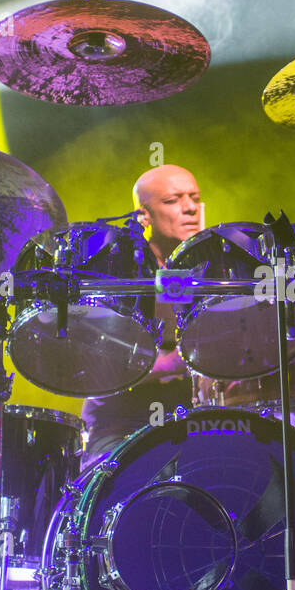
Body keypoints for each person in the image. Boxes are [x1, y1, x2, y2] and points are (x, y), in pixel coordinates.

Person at [80, 164, 202, 460]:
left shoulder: (200, 272)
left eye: (195, 198)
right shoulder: (120, 269)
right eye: (173, 201)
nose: (190, 209)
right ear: (143, 215)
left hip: (192, 425)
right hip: (121, 427)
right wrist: (179, 361)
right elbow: (95, 367)